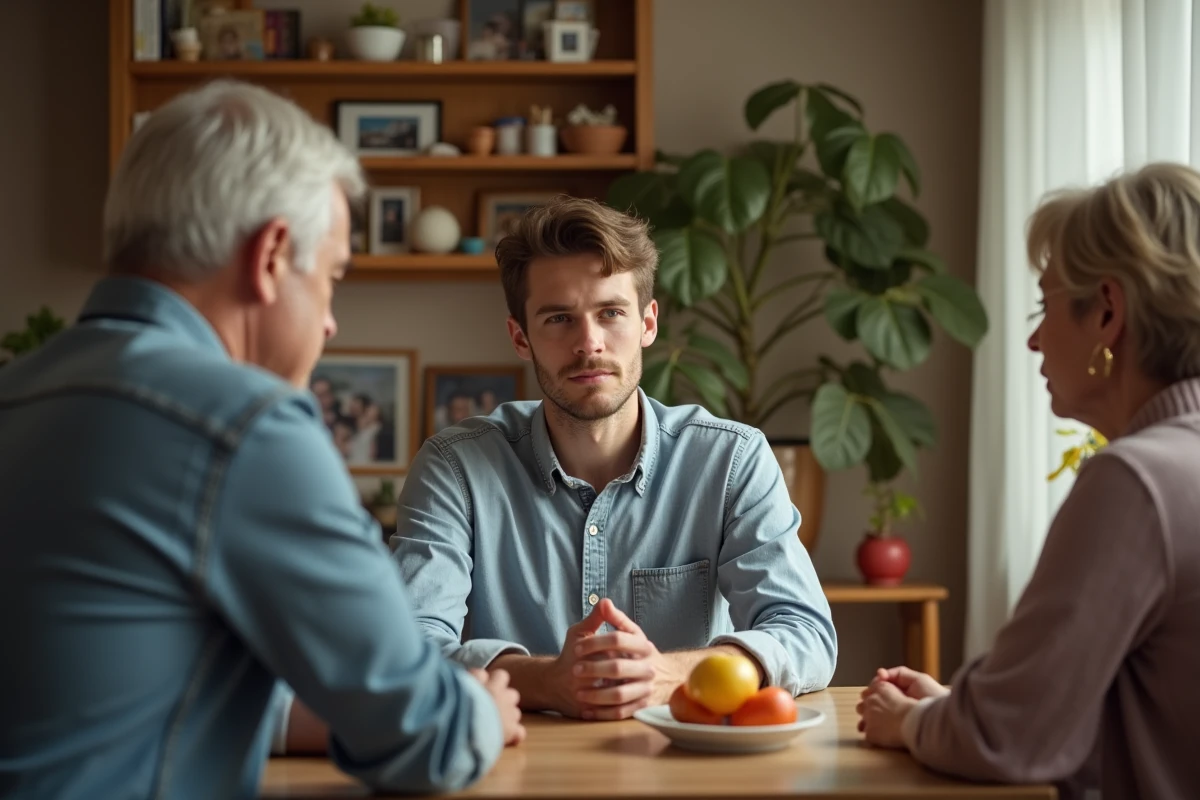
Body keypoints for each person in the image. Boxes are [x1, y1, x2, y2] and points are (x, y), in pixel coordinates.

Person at [0, 79, 522, 799]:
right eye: (333, 276)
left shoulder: (18, 392)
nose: (331, 321)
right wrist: (481, 711)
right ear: (272, 255)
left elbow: (122, 685)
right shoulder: (244, 426)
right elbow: (422, 736)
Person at [391, 196, 836, 720]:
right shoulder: (455, 467)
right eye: (559, 318)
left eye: (611, 313)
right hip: (514, 767)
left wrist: (669, 675)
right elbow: (406, 647)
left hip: (678, 764)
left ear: (647, 323)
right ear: (521, 337)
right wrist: (545, 680)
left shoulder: (731, 460)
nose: (589, 343)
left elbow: (804, 633)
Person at [858, 163, 1200, 799]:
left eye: (1046, 305)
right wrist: (960, 708)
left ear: (1107, 312)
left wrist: (914, 722)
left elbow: (1009, 740)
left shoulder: (1137, 482)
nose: (1035, 339)